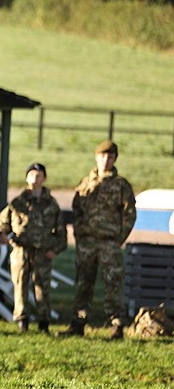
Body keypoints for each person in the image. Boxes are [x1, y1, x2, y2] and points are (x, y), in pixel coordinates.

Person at [65, 141, 136, 339]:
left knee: (113, 283)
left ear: (115, 159)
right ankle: (78, 323)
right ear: (96, 157)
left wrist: (118, 238)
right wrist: (79, 234)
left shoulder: (121, 185)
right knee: (83, 284)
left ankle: (117, 325)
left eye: (110, 157)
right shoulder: (86, 182)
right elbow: (76, 209)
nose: (106, 160)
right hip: (87, 243)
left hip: (109, 243)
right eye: (102, 156)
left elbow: (129, 213)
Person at [0, 162, 66, 333]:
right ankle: (22, 321)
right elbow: (1, 224)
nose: (35, 178)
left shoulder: (51, 204)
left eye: (39, 175)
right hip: (21, 251)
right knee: (20, 287)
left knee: (42, 288)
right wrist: (2, 235)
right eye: (32, 174)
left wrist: (54, 250)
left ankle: (43, 322)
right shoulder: (17, 203)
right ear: (26, 178)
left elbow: (61, 232)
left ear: (44, 178)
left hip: (42, 252)